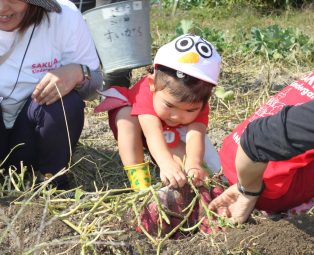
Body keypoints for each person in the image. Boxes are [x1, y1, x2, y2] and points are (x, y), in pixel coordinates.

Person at [209, 53, 314, 223]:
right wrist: (249, 190)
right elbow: (260, 139)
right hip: (264, 190)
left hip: (230, 158)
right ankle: (311, 208)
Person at [94, 34, 222, 188]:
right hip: (141, 126)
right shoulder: (145, 90)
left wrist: (194, 164)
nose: (176, 116)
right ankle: (140, 183)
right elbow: (152, 133)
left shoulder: (198, 100)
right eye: (169, 105)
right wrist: (166, 163)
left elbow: (196, 135)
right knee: (126, 118)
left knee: (197, 169)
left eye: (190, 111)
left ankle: (185, 184)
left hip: (169, 133)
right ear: (152, 84)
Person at [0, 0, 103, 188]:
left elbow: (95, 86)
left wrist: (78, 72)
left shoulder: (63, 17)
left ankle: (51, 180)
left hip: (30, 136)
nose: (2, 9)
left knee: (65, 102)